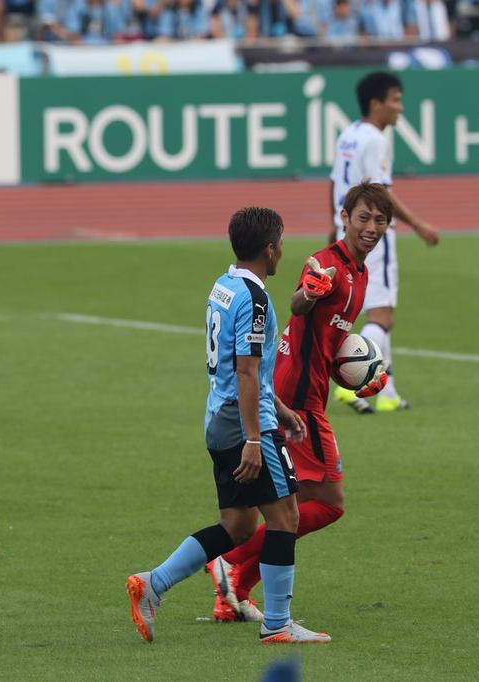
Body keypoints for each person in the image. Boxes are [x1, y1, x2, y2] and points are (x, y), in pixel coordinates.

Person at [127, 207, 331, 645]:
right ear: (270, 249)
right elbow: (245, 370)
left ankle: (153, 584)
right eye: (281, 242)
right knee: (286, 516)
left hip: (219, 420)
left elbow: (240, 369)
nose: (283, 250)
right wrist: (256, 438)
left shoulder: (224, 285)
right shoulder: (256, 299)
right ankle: (278, 624)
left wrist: (279, 408)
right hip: (245, 426)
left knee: (237, 526)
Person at [207, 183, 392, 624]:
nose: (371, 227)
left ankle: (234, 590)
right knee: (328, 502)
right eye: (362, 217)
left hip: (307, 390)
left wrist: (357, 375)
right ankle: (232, 563)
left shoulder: (361, 273)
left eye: (380, 220)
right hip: (298, 397)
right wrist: (308, 293)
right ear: (344, 218)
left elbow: (326, 340)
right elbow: (298, 305)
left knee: (292, 505)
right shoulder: (326, 264)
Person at [328, 71, 440, 414]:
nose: (400, 108)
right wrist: (418, 225)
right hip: (374, 234)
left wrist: (334, 225)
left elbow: (333, 182)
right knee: (383, 316)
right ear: (376, 104)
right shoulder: (376, 140)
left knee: (367, 310)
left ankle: (387, 392)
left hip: (347, 230)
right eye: (395, 100)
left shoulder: (348, 134)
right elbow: (380, 193)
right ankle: (348, 382)